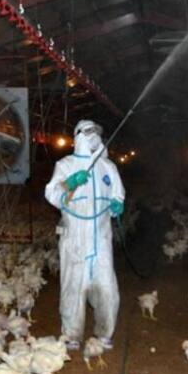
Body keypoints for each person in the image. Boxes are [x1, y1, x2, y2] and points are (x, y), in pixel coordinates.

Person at [45, 120, 125, 350]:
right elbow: (51, 193)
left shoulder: (107, 167)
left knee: (107, 287)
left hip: (100, 239)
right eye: (88, 132)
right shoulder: (65, 165)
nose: (93, 136)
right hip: (74, 239)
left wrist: (117, 204)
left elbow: (118, 193)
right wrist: (69, 183)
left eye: (97, 132)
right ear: (78, 137)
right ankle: (71, 334)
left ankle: (104, 333)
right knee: (73, 286)